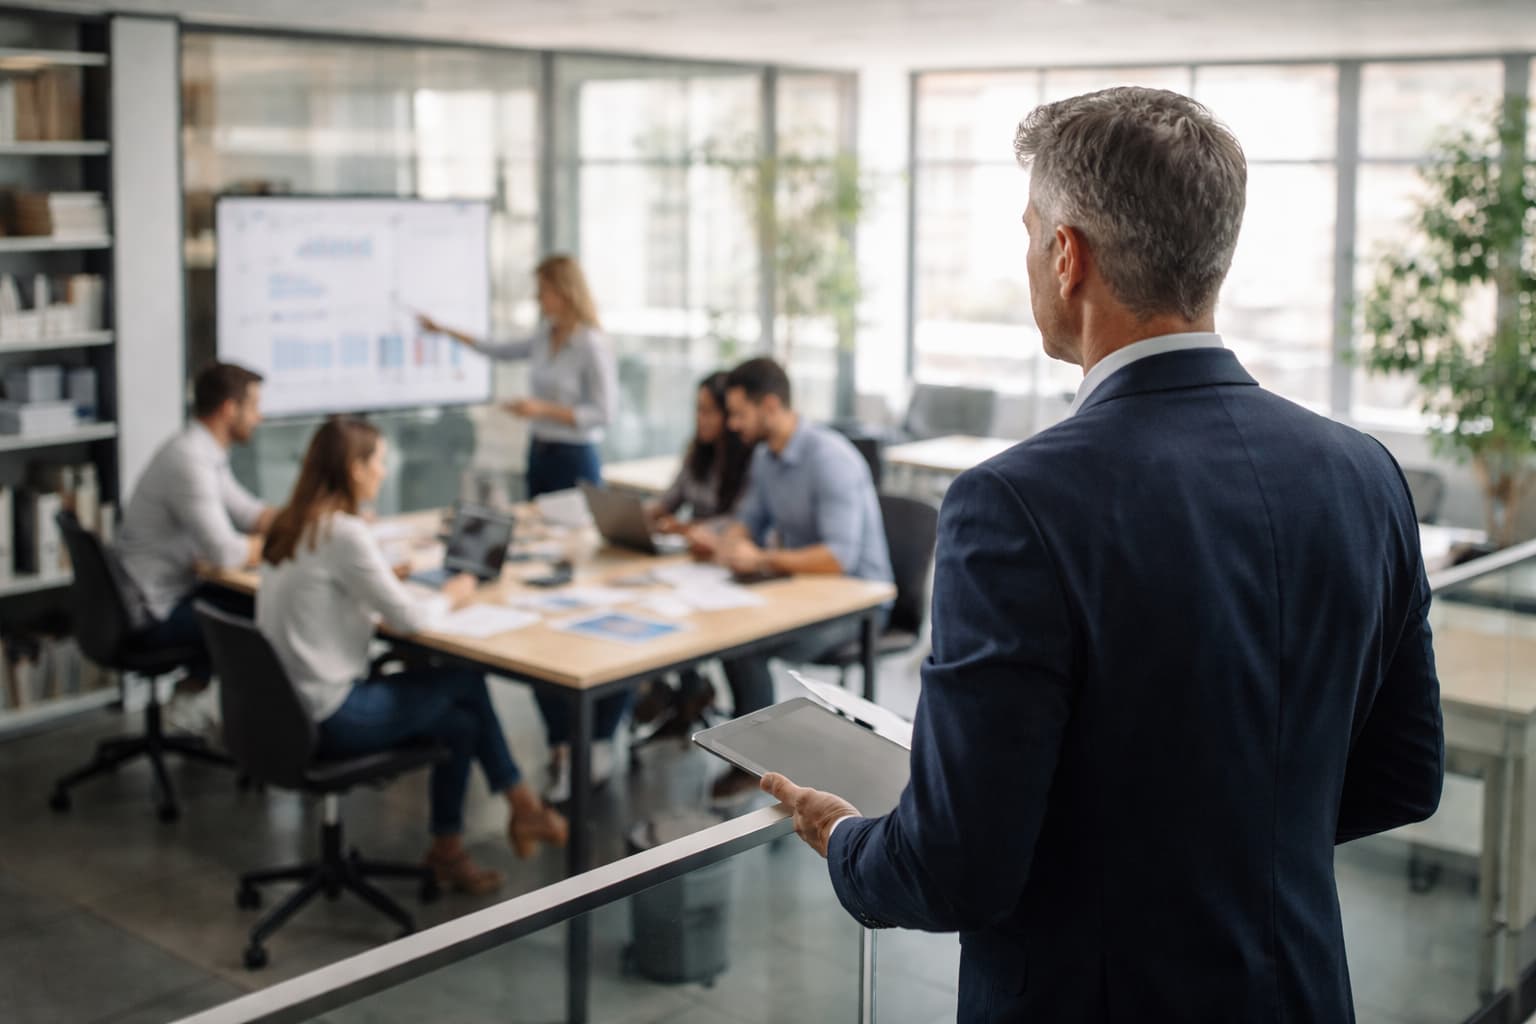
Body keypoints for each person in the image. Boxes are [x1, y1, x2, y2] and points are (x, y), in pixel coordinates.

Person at [762, 87, 1444, 1021]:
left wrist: (845, 838)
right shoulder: (1364, 472)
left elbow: (957, 870)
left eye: (1031, 231)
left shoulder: (1015, 503)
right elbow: (1403, 776)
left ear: (1066, 253)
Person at [256, 416, 567, 895]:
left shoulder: (294, 522)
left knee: (461, 724)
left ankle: (450, 851)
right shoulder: (342, 533)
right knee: (465, 680)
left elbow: (331, 592)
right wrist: (455, 592)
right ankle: (524, 807)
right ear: (354, 469)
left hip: (281, 710)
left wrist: (378, 578)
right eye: (378, 460)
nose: (384, 470)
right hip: (331, 714)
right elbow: (411, 621)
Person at [697, 357, 892, 804]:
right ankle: (746, 745)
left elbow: (838, 557)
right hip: (801, 592)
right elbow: (750, 519)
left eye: (738, 413)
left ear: (770, 406)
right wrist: (729, 542)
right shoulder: (766, 458)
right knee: (721, 627)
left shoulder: (830, 459)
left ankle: (757, 765)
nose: (731, 423)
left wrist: (762, 557)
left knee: (744, 644)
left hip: (857, 604)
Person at [116, 362, 274, 681]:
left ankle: (201, 695)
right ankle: (207, 706)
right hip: (155, 611)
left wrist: (314, 517)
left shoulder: (203, 452)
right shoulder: (189, 460)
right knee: (270, 611)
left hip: (169, 593)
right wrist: (288, 541)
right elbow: (226, 554)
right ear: (230, 409)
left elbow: (249, 513)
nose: (260, 418)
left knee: (255, 600)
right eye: (254, 407)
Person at [419, 254, 617, 498]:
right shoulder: (545, 335)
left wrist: (542, 409)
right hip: (539, 451)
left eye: (543, 290)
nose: (537, 298)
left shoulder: (591, 345)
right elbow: (498, 350)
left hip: (574, 456)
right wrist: (443, 329)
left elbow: (604, 413)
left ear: (565, 292)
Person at [633, 370, 757, 734]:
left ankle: (691, 701)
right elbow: (669, 500)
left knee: (729, 632)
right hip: (692, 564)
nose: (700, 419)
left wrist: (686, 529)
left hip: (726, 564)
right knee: (650, 605)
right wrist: (643, 515)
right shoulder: (697, 455)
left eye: (709, 411)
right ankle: (682, 695)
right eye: (697, 410)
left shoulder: (751, 462)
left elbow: (742, 522)